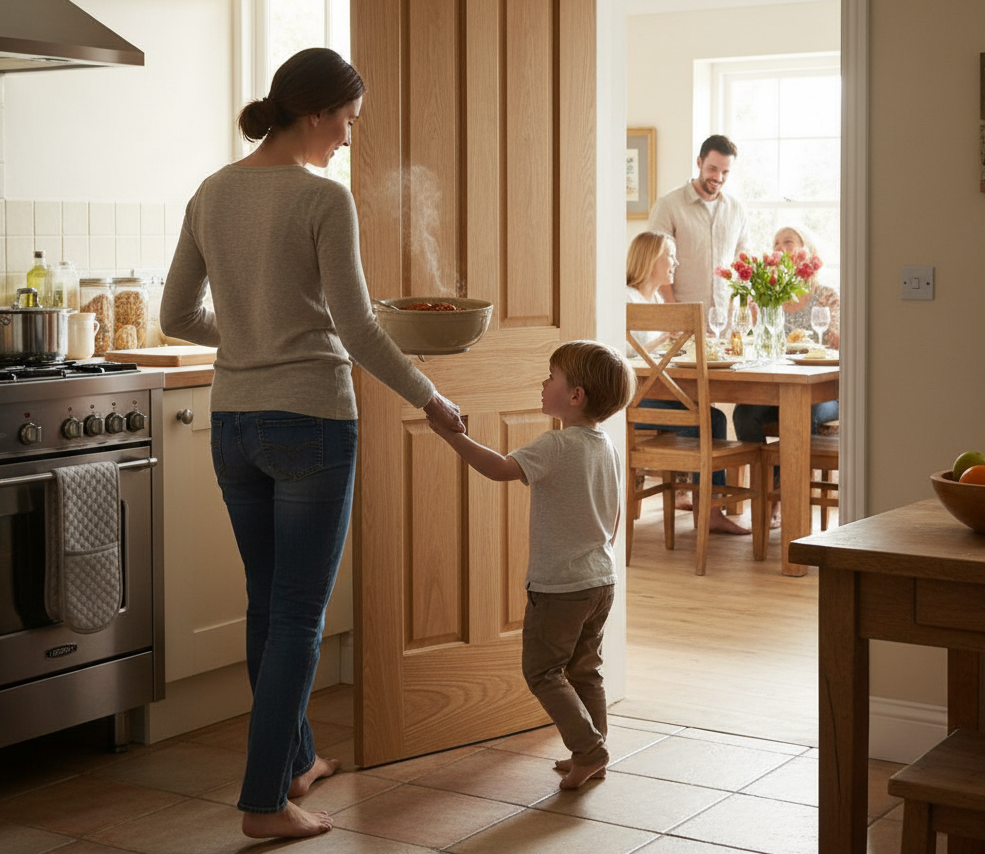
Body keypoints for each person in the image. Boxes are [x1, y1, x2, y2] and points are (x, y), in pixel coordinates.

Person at [161, 47, 464, 840]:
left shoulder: (212, 190)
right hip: (312, 422)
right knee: (297, 614)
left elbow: (175, 316)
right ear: (320, 112)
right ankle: (265, 803)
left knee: (268, 605)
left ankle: (294, 761)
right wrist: (430, 397)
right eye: (349, 123)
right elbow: (359, 328)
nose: (348, 138)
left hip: (234, 423)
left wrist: (252, 338)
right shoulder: (322, 199)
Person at [428, 341, 635, 790]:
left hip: (559, 586)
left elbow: (500, 467)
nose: (543, 384)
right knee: (585, 669)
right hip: (601, 579)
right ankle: (592, 749)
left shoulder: (556, 445)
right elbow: (615, 514)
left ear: (575, 395)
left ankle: (588, 749)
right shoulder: (607, 447)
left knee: (542, 671)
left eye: (551, 377)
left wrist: (452, 435)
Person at [627, 232, 747, 534]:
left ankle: (706, 506)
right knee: (711, 418)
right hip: (636, 398)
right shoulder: (626, 297)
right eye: (670, 255)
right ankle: (710, 511)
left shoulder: (653, 299)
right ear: (651, 258)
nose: (675, 262)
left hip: (657, 391)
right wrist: (666, 338)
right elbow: (621, 353)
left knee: (711, 415)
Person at [732, 224, 840, 519]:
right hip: (778, 388)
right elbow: (754, 342)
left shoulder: (826, 296)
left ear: (808, 251)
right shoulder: (770, 295)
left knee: (799, 411)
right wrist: (756, 322)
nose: (779, 247)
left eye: (788, 241)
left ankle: (783, 491)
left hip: (823, 390)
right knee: (743, 413)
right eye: (776, 242)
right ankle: (763, 486)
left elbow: (838, 343)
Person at [647, 134, 752, 329]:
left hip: (727, 326)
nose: (718, 178)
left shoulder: (737, 209)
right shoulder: (668, 205)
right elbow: (656, 263)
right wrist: (675, 316)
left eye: (725, 172)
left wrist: (739, 312)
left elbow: (743, 265)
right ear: (699, 162)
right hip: (682, 323)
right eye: (712, 169)